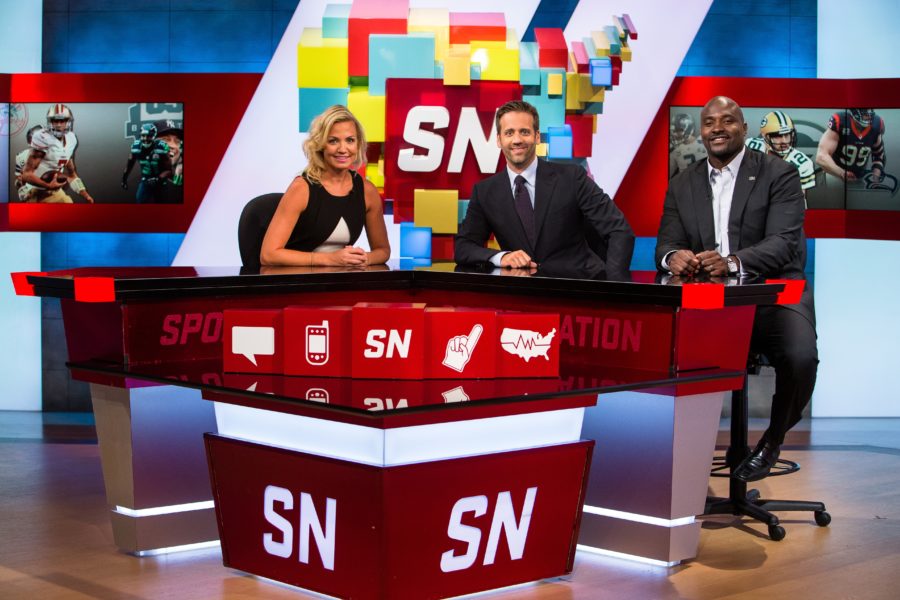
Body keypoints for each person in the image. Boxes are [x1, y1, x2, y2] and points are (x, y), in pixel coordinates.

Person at [655, 96, 818, 483]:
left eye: (728, 121)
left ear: (744, 129)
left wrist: (732, 262)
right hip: (709, 305)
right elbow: (664, 245)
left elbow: (785, 244)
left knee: (800, 357)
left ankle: (771, 442)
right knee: (660, 351)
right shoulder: (682, 183)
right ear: (701, 131)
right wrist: (674, 256)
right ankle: (676, 464)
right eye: (709, 122)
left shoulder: (779, 174)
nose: (717, 128)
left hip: (772, 295)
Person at [454, 100, 634, 277]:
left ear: (537, 137)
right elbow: (463, 247)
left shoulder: (573, 177)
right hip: (522, 295)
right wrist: (501, 257)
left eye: (524, 132)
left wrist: (613, 288)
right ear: (499, 140)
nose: (517, 140)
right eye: (509, 133)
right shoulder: (485, 191)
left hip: (579, 289)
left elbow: (619, 231)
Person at [260, 105, 390, 267]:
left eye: (350, 140)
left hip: (338, 281)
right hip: (295, 280)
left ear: (358, 145)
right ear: (321, 145)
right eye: (333, 141)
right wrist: (330, 259)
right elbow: (269, 254)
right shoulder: (301, 188)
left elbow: (383, 250)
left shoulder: (367, 191)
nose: (343, 149)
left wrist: (363, 258)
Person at [18, 104, 94, 204]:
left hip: (55, 191)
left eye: (62, 120)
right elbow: (26, 175)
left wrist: (86, 195)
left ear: (68, 122)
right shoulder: (42, 138)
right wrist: (48, 186)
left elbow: (72, 176)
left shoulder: (71, 139)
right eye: (55, 120)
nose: (58, 124)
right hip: (36, 191)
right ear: (50, 122)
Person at [746, 110, 816, 193]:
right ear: (765, 137)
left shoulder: (803, 164)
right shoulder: (751, 145)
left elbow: (797, 199)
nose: (784, 141)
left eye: (787, 134)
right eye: (778, 136)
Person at [815, 108, 885, 183]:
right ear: (854, 111)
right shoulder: (841, 121)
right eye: (865, 113)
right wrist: (841, 172)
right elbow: (821, 157)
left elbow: (879, 156)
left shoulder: (877, 124)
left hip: (859, 179)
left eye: (870, 112)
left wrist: (875, 179)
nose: (869, 116)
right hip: (835, 176)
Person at [121, 122, 173, 203]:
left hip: (160, 182)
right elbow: (129, 165)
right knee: (140, 201)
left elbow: (169, 171)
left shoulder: (161, 147)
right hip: (146, 180)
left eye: (149, 136)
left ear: (154, 136)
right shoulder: (136, 147)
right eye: (143, 136)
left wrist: (158, 179)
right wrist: (124, 178)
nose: (145, 138)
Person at [669, 113, 707, 178]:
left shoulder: (675, 151)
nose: (674, 134)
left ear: (689, 129)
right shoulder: (706, 141)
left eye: (678, 130)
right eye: (673, 131)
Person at [14, 125, 43, 202]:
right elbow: (18, 179)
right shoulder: (21, 157)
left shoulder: (55, 155)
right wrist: (21, 187)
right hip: (31, 193)